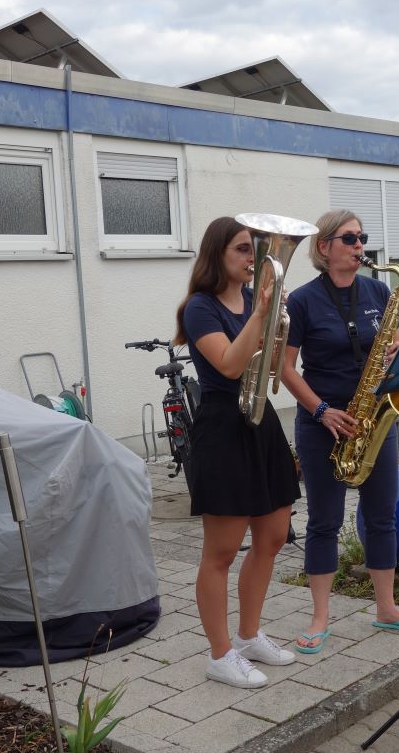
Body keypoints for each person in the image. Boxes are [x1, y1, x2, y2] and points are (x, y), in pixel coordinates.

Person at [280, 209, 399, 654]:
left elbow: (395, 346)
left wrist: (397, 353)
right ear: (324, 247)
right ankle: (320, 617)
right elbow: (285, 369)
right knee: (323, 522)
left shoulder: (380, 289)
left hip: (373, 417)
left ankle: (386, 609)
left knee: (382, 516)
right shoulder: (303, 301)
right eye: (350, 239)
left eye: (362, 238)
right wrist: (323, 410)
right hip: (323, 420)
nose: (360, 246)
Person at [176, 216, 302, 688]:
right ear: (218, 254)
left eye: (254, 250)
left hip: (260, 421)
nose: (253, 259)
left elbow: (268, 366)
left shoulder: (253, 299)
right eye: (243, 250)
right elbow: (229, 366)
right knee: (222, 551)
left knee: (271, 536)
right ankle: (220, 653)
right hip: (223, 425)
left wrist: (275, 322)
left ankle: (249, 636)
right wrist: (259, 316)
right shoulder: (199, 308)